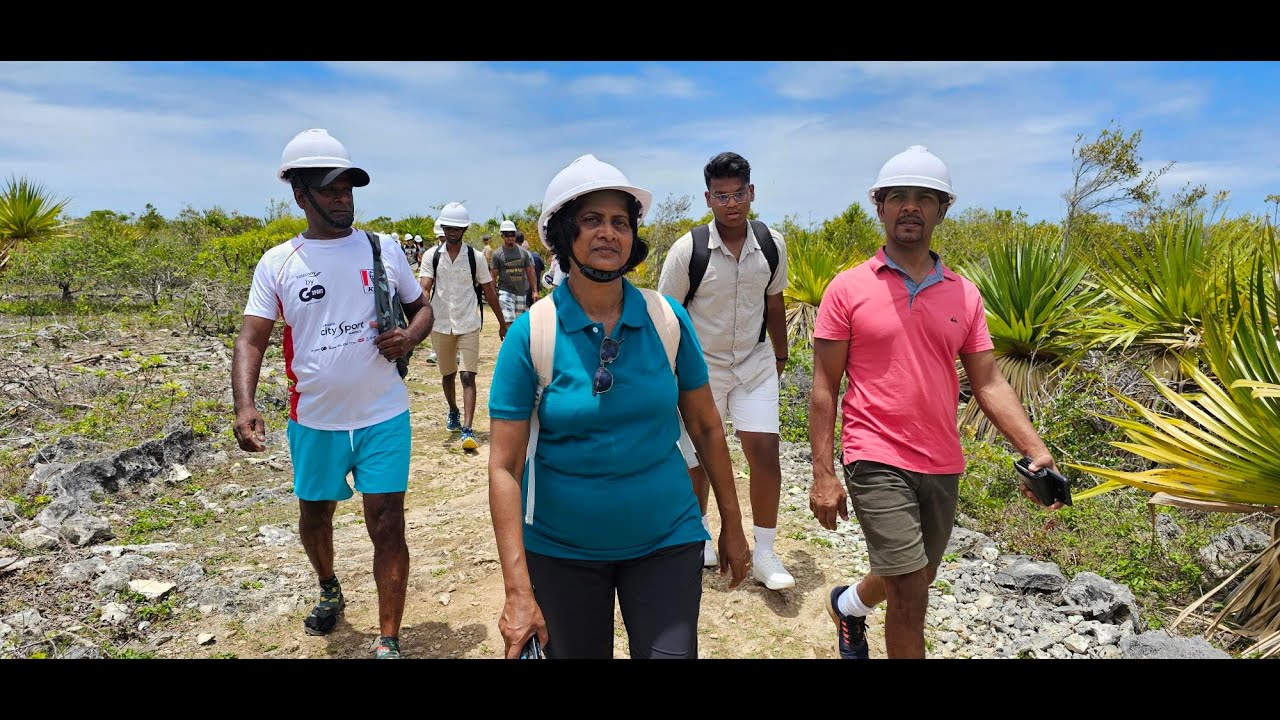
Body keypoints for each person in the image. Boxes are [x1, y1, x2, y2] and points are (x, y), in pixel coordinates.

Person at [487, 154, 751, 659]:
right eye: (591, 220)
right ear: (564, 235)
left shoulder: (666, 319)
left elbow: (706, 427)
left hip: (667, 538)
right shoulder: (531, 335)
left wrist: (733, 526)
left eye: (620, 222)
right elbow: (504, 467)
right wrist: (519, 592)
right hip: (561, 549)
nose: (608, 233)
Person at [808, 145, 1065, 660]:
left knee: (915, 573)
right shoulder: (848, 288)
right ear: (878, 206)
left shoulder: (964, 294)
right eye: (898, 197)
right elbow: (824, 385)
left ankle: (849, 606)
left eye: (924, 197)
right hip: (874, 453)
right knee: (910, 594)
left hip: (942, 460)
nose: (910, 207)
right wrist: (823, 472)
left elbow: (989, 383)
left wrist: (1038, 452)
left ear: (942, 209)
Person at [232, 129, 433, 660]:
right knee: (315, 516)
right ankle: (329, 587)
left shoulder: (383, 248)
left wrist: (410, 337)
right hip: (315, 419)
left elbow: (422, 309)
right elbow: (252, 337)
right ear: (299, 194)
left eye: (348, 186)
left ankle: (389, 639)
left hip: (384, 414)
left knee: (387, 522)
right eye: (329, 188)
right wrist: (245, 405)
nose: (343, 197)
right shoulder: (279, 262)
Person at [658, 151, 794, 591]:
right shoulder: (689, 250)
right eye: (722, 196)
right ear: (708, 198)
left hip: (754, 365)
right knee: (697, 461)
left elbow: (774, 302)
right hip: (702, 371)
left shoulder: (771, 244)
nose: (731, 203)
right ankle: (699, 537)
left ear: (751, 193)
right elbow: (667, 313)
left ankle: (765, 554)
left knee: (764, 455)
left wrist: (780, 355)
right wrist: (668, 374)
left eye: (738, 194)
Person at [419, 201, 507, 450]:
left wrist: (502, 323)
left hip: (468, 322)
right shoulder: (431, 256)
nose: (452, 232)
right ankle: (453, 411)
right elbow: (425, 288)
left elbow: (489, 291)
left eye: (457, 228)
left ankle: (467, 429)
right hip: (441, 323)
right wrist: (417, 323)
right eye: (448, 228)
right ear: (443, 228)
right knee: (447, 374)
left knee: (468, 375)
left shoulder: (475, 257)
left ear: (465, 229)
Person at [490, 220, 539, 324]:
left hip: (521, 292)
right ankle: (510, 340)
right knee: (509, 321)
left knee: (518, 323)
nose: (510, 238)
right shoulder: (497, 254)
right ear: (502, 236)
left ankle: (514, 340)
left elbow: (530, 272)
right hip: (505, 291)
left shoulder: (523, 253)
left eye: (512, 234)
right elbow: (493, 275)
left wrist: (534, 291)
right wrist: (492, 294)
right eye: (507, 235)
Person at [515, 230, 546, 299]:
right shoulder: (530, 255)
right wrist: (535, 290)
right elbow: (534, 272)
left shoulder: (508, 252)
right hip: (528, 285)